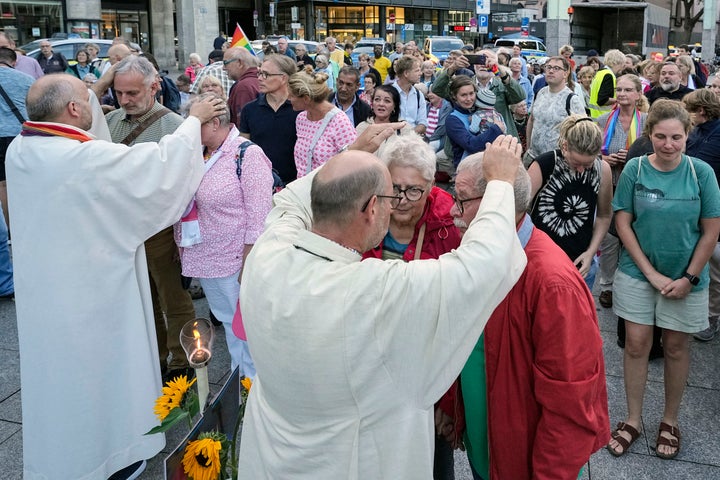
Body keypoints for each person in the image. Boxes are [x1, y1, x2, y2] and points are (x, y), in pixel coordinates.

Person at [237, 135, 528, 479]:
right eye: (391, 197)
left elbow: (290, 200)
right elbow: (483, 266)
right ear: (372, 208)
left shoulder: (267, 252)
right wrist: (500, 182)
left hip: (272, 458)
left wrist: (353, 153)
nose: (397, 205)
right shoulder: (373, 292)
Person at [6, 72, 222, 480]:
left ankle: (66, 457)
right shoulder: (81, 159)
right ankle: (111, 455)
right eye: (86, 101)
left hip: (46, 290)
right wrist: (194, 120)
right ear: (73, 110)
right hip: (92, 291)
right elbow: (158, 170)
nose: (95, 105)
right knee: (100, 373)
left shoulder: (21, 149)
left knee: (59, 381)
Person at [453, 151, 610, 480]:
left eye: (462, 199)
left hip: (526, 465)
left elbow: (571, 402)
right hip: (491, 453)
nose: (454, 211)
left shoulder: (553, 284)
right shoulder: (479, 253)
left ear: (499, 200)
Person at [607, 99, 720, 460]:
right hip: (638, 272)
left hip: (687, 278)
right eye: (660, 136)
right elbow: (622, 222)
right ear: (649, 135)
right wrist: (650, 272)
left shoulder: (702, 173)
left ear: (688, 135)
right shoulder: (636, 169)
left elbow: (710, 230)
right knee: (636, 344)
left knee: (675, 347)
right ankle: (634, 418)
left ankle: (670, 420)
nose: (668, 144)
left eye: (676, 137)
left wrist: (689, 276)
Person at [361, 135, 462, 479]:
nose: (401, 200)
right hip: (370, 370)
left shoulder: (452, 226)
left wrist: (448, 402)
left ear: (431, 186)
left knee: (434, 465)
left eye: (414, 191)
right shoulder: (360, 215)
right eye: (395, 188)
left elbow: (459, 324)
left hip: (428, 377)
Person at [104, 56, 199, 381]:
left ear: (155, 86)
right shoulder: (111, 121)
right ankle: (156, 358)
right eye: (119, 93)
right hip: (122, 229)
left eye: (132, 92)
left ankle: (182, 364)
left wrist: (180, 237)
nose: (125, 100)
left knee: (173, 298)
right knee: (142, 300)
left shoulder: (173, 126)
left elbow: (187, 187)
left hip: (160, 229)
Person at [174, 93, 273, 376]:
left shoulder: (246, 154)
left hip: (234, 261)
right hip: (206, 258)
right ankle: (239, 380)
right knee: (229, 323)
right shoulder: (201, 153)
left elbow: (259, 217)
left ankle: (251, 386)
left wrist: (248, 263)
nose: (190, 130)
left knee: (245, 327)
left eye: (196, 124)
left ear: (214, 123)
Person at [528, 115, 612, 289]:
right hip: (540, 262)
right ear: (565, 147)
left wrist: (590, 253)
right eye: (576, 163)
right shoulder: (544, 164)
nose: (581, 170)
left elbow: (604, 216)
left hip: (580, 263)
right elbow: (518, 210)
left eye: (587, 164)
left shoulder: (602, 169)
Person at [595, 74, 648, 309]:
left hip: (637, 187)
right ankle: (607, 285)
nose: (622, 94)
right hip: (610, 184)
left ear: (638, 94)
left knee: (631, 235)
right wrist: (606, 158)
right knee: (607, 237)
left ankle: (629, 283)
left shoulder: (647, 122)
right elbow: (592, 153)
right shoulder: (604, 119)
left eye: (627, 90)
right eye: (619, 90)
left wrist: (635, 157)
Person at [684, 89, 720, 341]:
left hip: (714, 208)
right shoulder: (697, 132)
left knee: (715, 266)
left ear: (701, 112)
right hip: (693, 207)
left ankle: (712, 317)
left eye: (688, 110)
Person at [433, 49, 526, 139]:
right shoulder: (465, 86)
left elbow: (520, 96)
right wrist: (453, 68)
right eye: (479, 60)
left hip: (501, 141)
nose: (483, 65)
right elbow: (437, 89)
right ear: (473, 65)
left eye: (487, 61)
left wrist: (500, 70)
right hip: (470, 143)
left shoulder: (503, 84)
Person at [239, 54, 300, 184]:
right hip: (259, 183)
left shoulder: (301, 109)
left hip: (296, 184)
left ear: (283, 78)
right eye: (259, 73)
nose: (260, 79)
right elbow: (243, 150)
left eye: (266, 74)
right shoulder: (249, 110)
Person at [289, 67, 357, 177]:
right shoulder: (301, 119)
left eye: (291, 95)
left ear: (306, 98)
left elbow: (352, 163)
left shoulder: (339, 121)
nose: (288, 98)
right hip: (303, 189)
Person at [526, 56, 586, 162]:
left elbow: (583, 132)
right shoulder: (541, 92)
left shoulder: (572, 99)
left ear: (566, 73)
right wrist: (528, 147)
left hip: (557, 160)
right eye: (548, 67)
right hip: (533, 157)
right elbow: (532, 120)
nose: (551, 71)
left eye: (556, 68)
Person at [446, 75, 504, 166]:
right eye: (463, 95)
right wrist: (496, 129)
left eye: (471, 93)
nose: (469, 99)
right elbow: (471, 145)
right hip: (467, 169)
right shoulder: (453, 120)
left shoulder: (480, 112)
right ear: (454, 96)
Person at [356, 85, 415, 152]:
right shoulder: (362, 127)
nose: (381, 104)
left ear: (394, 106)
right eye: (377, 99)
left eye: (387, 101)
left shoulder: (404, 129)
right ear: (372, 103)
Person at [223, 47, 260, 128]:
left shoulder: (244, 87)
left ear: (239, 63)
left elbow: (243, 124)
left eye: (225, 63)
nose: (223, 68)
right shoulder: (258, 80)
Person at [392, 56, 428, 135]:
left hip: (413, 139)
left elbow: (423, 123)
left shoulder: (419, 95)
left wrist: (409, 135)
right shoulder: (389, 93)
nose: (420, 73)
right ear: (406, 73)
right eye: (417, 71)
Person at [588, 49, 625, 118]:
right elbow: (602, 100)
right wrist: (619, 100)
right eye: (622, 65)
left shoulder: (600, 73)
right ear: (616, 62)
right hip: (604, 119)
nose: (622, 68)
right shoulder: (608, 75)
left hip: (595, 116)